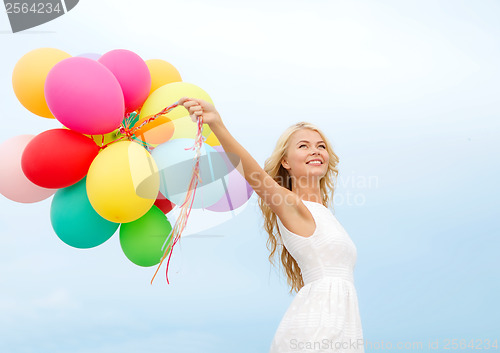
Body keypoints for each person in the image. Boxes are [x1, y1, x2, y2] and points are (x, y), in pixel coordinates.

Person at [179, 97, 364, 353]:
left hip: (339, 329)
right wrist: (217, 124)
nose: (315, 150)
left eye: (321, 146)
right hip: (316, 333)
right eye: (303, 146)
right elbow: (255, 176)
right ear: (286, 162)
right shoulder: (292, 204)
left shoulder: (325, 216)